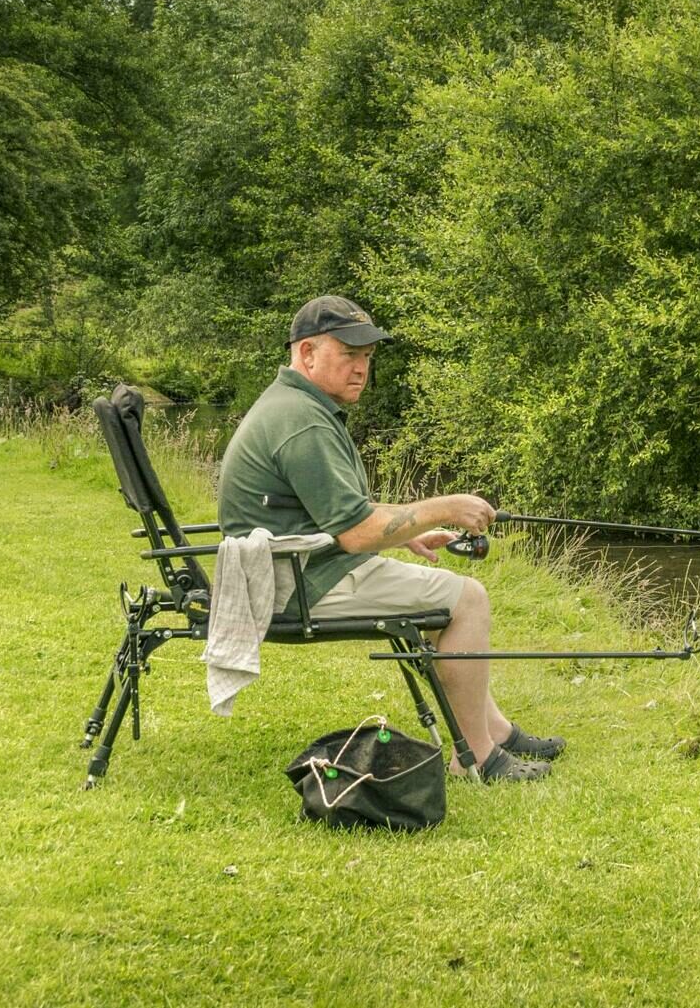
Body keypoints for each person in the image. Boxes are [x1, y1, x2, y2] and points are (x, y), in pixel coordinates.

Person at [217, 294, 562, 782]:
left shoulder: (297, 405)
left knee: (447, 599)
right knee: (467, 600)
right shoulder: (302, 422)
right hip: (296, 583)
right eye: (349, 355)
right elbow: (356, 533)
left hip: (301, 567)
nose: (361, 369)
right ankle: (479, 759)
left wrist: (406, 535)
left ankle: (495, 730)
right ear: (307, 352)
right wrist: (444, 507)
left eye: (366, 358)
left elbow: (341, 515)